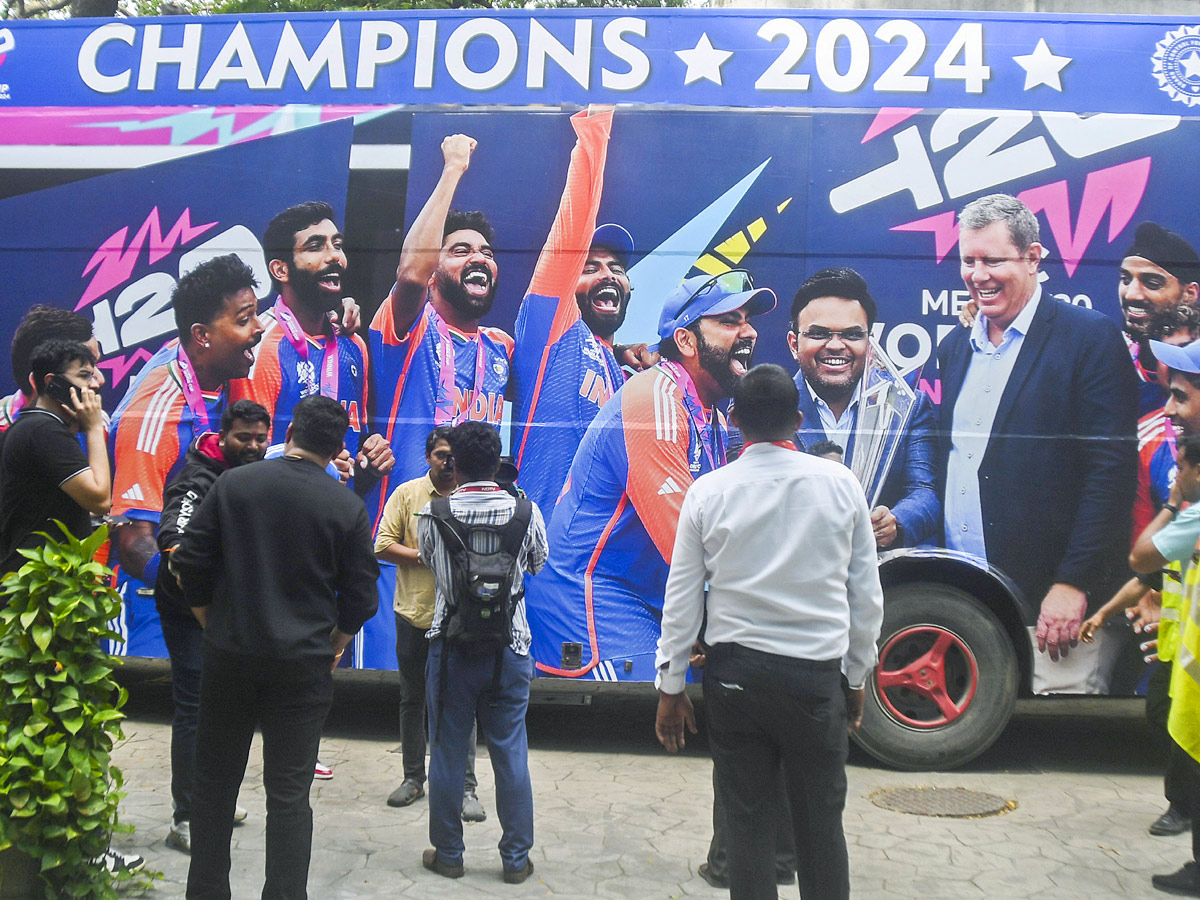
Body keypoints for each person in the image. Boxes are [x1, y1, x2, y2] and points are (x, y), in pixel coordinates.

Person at [654, 363, 884, 900]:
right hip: (815, 681)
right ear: (798, 420)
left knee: (747, 825)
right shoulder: (841, 485)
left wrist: (670, 689)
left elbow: (682, 599)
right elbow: (865, 597)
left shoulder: (709, 492)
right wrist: (855, 679)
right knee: (821, 827)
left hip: (737, 683)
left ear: (734, 420)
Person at [174, 395, 379, 900]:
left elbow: (189, 562)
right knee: (289, 796)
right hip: (303, 668)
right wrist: (334, 645)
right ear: (337, 449)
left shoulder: (234, 484)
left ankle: (205, 891)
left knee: (215, 785)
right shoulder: (346, 507)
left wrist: (210, 621)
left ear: (289, 432)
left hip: (229, 656)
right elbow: (360, 598)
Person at [526, 270, 775, 680]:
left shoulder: (708, 412)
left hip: (649, 596)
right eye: (729, 321)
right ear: (686, 341)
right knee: (669, 702)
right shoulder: (653, 399)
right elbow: (685, 541)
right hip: (594, 596)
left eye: (748, 321)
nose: (748, 333)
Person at [937, 193, 1137, 667]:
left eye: (993, 259)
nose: (978, 275)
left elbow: (1110, 475)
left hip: (1054, 606)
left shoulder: (1089, 338)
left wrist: (1072, 583)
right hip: (968, 599)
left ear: (1032, 258)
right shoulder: (955, 348)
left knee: (1065, 736)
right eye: (969, 260)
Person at [108, 254, 264, 656]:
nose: (259, 329)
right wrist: (196, 598)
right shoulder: (156, 408)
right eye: (245, 319)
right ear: (202, 335)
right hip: (149, 601)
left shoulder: (233, 379)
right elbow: (132, 543)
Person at [417, 421, 547, 884]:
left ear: (455, 462)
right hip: (510, 647)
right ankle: (515, 860)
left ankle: (449, 854)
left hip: (451, 649)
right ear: (497, 462)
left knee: (449, 751)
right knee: (510, 750)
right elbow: (537, 562)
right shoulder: (525, 511)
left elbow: (431, 563)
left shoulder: (434, 513)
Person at [155, 398, 271, 854]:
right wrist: (201, 605)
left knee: (223, 708)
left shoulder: (241, 474)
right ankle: (186, 817)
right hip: (188, 614)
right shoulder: (197, 478)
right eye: (244, 438)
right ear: (223, 437)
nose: (254, 446)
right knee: (195, 708)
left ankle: (213, 801)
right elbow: (175, 544)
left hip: (222, 614)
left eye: (261, 438)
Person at [509, 106, 638, 514]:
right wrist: (596, 131)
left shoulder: (625, 375)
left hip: (598, 559)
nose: (608, 275)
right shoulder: (553, 329)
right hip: (540, 556)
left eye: (617, 269)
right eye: (590, 266)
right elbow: (574, 226)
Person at [231, 201, 393, 487]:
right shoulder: (261, 346)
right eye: (316, 246)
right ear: (281, 270)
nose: (335, 257)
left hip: (339, 521)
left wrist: (372, 456)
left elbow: (356, 443)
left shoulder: (353, 345)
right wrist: (316, 465)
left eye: (337, 244)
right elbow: (244, 463)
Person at [375, 425, 485, 822]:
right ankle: (412, 778)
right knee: (412, 699)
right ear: (428, 457)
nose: (448, 462)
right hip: (415, 615)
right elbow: (383, 544)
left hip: (459, 619)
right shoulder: (407, 494)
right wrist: (426, 556)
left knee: (461, 704)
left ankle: (466, 787)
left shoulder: (472, 497)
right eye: (441, 454)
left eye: (453, 455)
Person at [788, 266, 939, 548]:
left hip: (880, 581)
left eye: (852, 335)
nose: (836, 345)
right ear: (794, 343)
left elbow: (925, 493)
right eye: (819, 334)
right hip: (790, 579)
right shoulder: (766, 406)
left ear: (870, 343)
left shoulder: (908, 407)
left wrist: (896, 521)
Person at [1128, 433, 1200, 897]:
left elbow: (1140, 556)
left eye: (1183, 468)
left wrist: (1173, 503)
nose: (1177, 476)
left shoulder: (1193, 518)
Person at [0, 339, 109, 571]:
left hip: (40, 580)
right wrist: (93, 428)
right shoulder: (44, 430)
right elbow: (100, 499)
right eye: (84, 375)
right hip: (39, 588)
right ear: (52, 383)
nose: (96, 384)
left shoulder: (32, 427)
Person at [1119, 222, 1200, 416]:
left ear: (1189, 293)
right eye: (1126, 280)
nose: (1132, 294)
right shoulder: (1107, 357)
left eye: (1152, 283)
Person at [0, 305, 104, 431]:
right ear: (46, 380)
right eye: (84, 373)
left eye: (95, 365)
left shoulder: (101, 424)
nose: (100, 380)